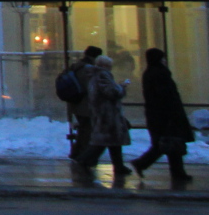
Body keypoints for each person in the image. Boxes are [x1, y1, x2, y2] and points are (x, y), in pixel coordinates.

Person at [130, 48, 193, 181]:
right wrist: (173, 114)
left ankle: (175, 172)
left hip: (157, 115)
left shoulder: (150, 73)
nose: (164, 60)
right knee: (169, 143)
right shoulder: (160, 73)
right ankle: (174, 172)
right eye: (162, 58)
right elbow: (166, 96)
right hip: (166, 115)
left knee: (166, 144)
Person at [75, 54, 130, 177]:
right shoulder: (102, 75)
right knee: (104, 142)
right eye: (109, 66)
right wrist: (122, 87)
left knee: (110, 141)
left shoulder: (94, 75)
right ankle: (84, 160)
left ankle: (118, 165)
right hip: (107, 114)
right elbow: (111, 92)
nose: (111, 68)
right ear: (104, 66)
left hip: (104, 113)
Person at [67, 45, 104, 160]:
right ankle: (83, 156)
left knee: (83, 129)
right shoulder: (87, 69)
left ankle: (77, 153)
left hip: (76, 103)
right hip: (85, 105)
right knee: (86, 131)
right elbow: (90, 87)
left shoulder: (76, 66)